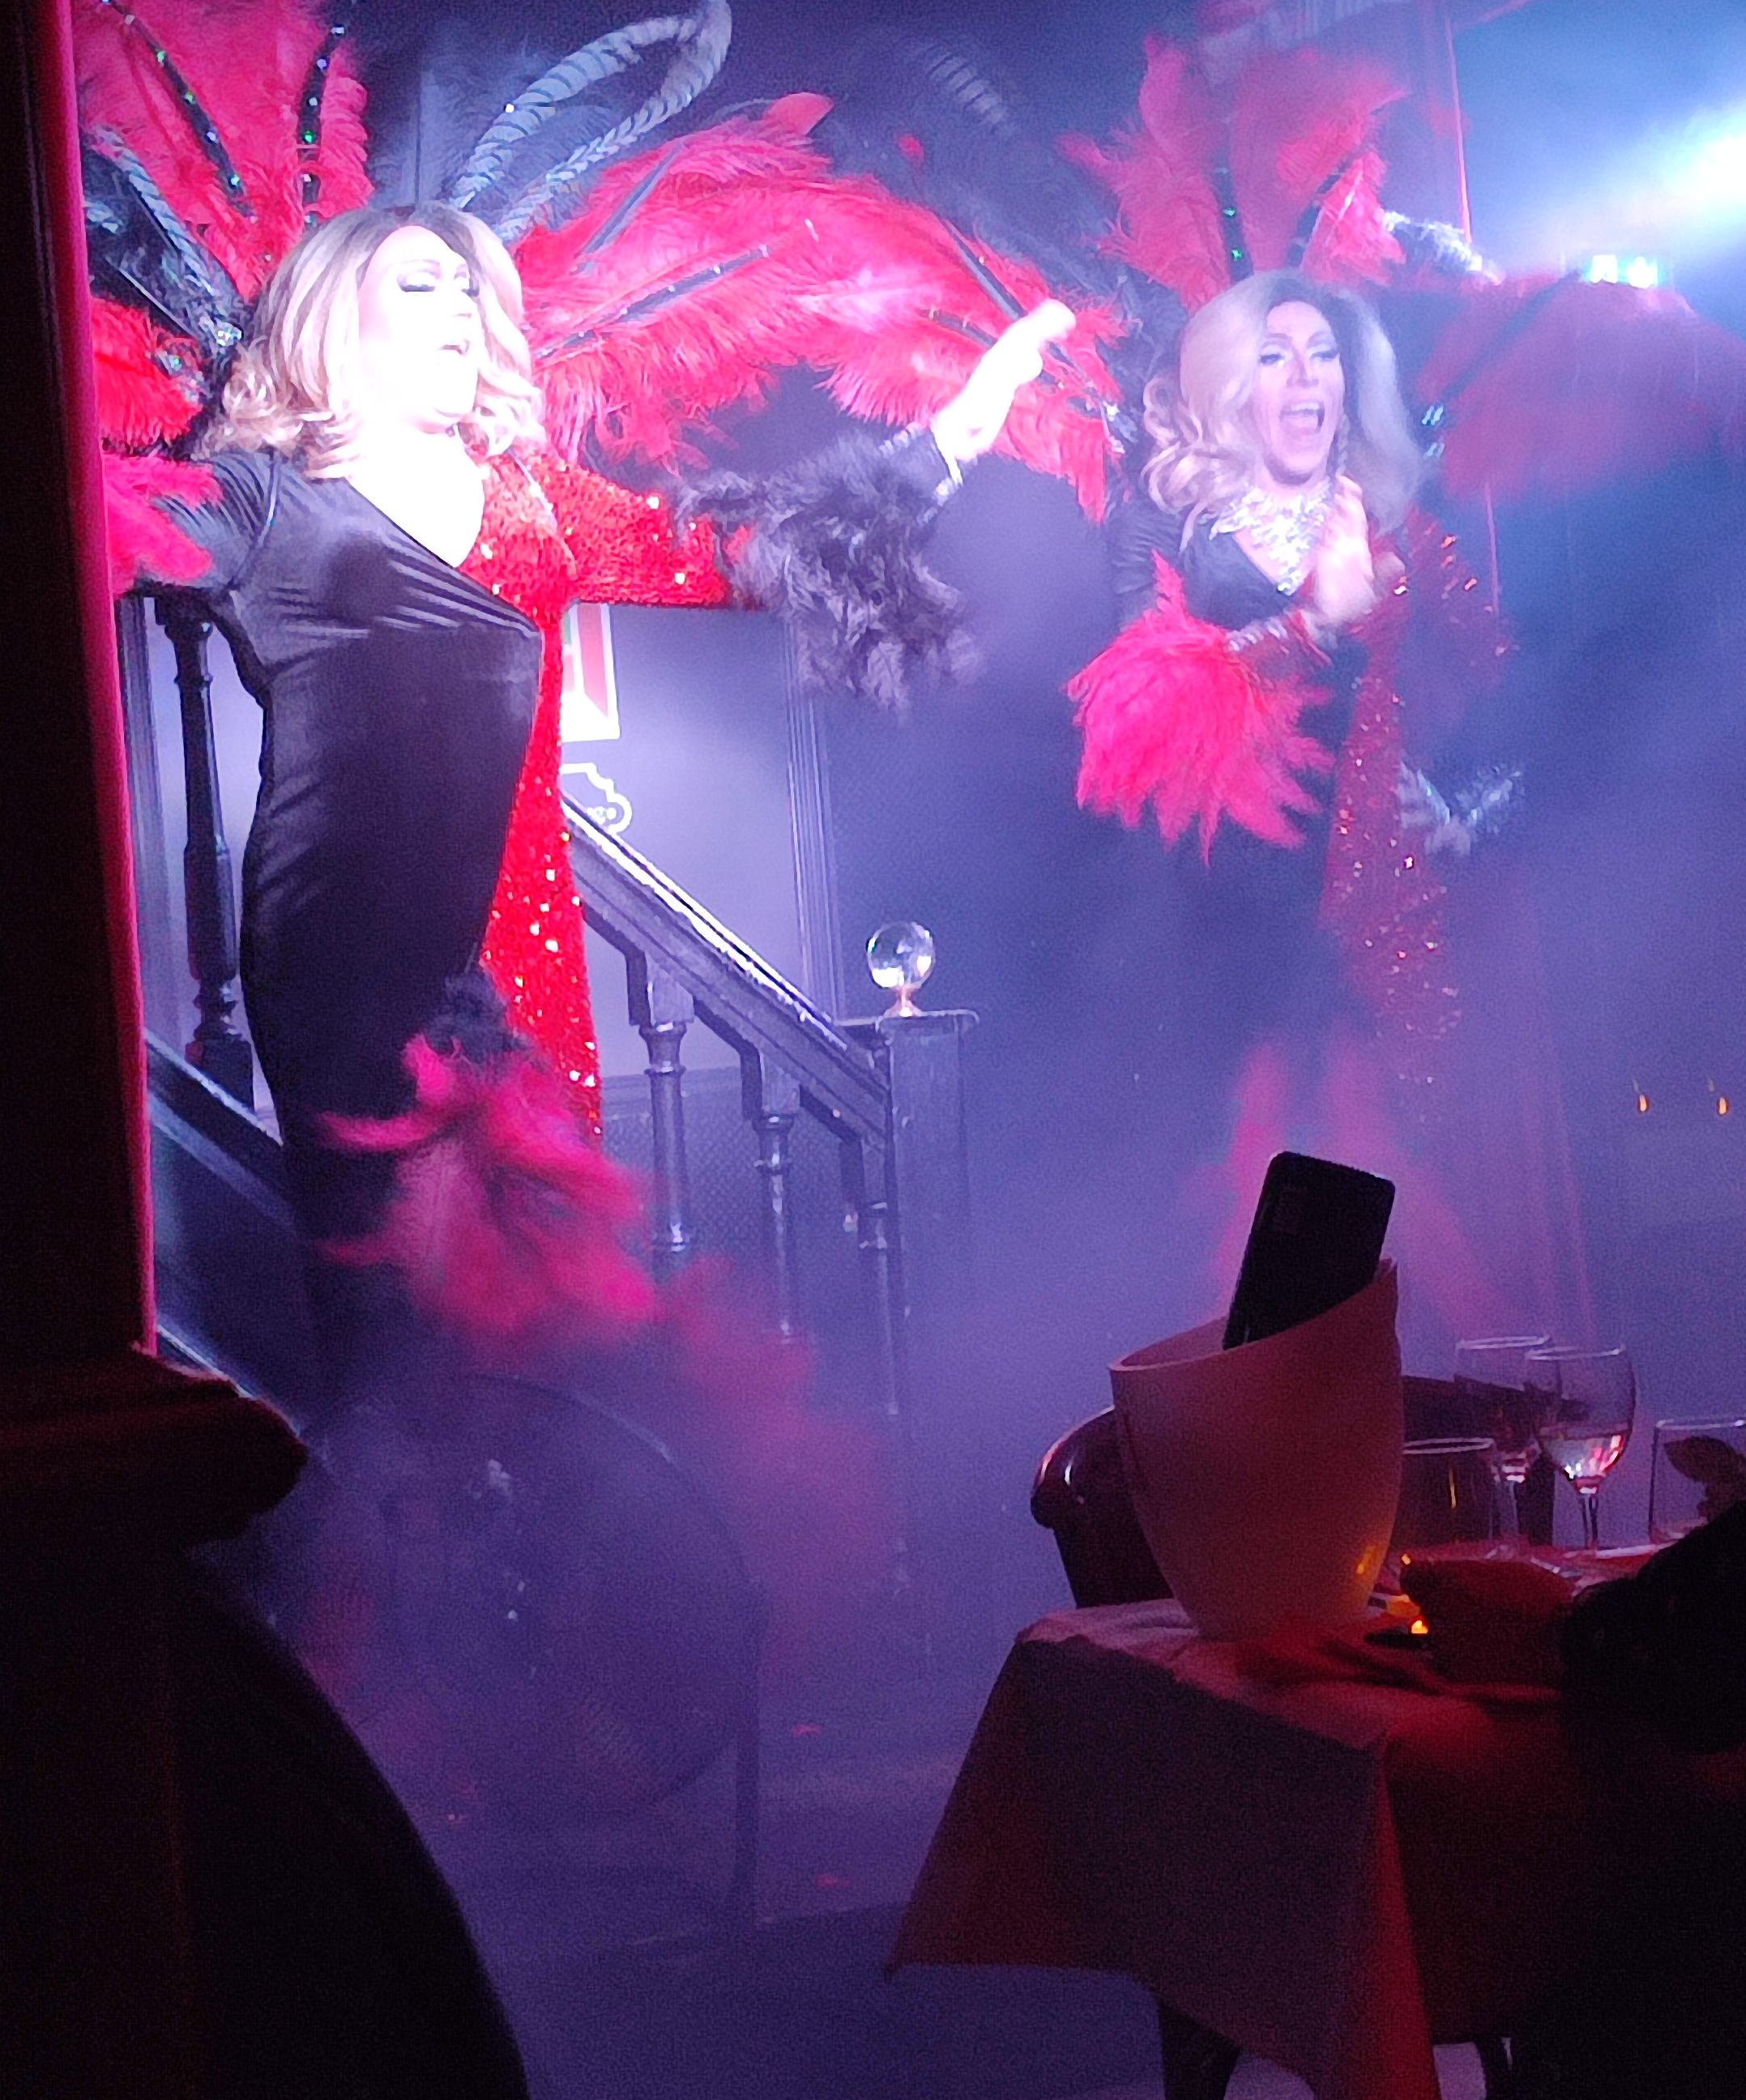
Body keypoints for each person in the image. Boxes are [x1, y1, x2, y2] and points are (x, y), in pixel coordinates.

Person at [114, 196, 1069, 1381]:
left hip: (520, 947)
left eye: (470, 286)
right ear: (330, 319)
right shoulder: (266, 500)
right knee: (394, 1339)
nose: (460, 304)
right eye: (419, 282)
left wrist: (944, 447)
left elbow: (739, 552)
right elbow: (113, 528)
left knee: (543, 1325)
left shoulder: (535, 504)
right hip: (342, 960)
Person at [1066, 269, 1516, 1345]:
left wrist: (1469, 810)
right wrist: (1314, 624)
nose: (1306, 376)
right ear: (1234, 388)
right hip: (1225, 918)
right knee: (1251, 1217)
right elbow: (1141, 710)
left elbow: (1523, 687)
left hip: (1381, 913)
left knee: (1395, 1211)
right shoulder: (1166, 527)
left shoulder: (1401, 533)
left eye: (1324, 354)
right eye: (1274, 355)